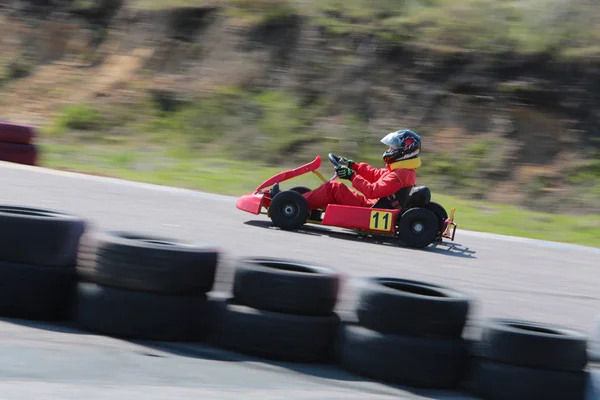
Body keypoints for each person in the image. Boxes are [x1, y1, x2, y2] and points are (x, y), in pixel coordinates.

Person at [300, 129, 422, 211]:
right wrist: (352, 166)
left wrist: (351, 176)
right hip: (375, 203)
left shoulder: (399, 175)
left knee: (332, 188)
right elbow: (375, 175)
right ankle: (301, 201)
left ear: (405, 150)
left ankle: (297, 205)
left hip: (371, 207)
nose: (389, 151)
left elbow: (371, 191)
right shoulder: (403, 170)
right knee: (333, 189)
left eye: (392, 148)